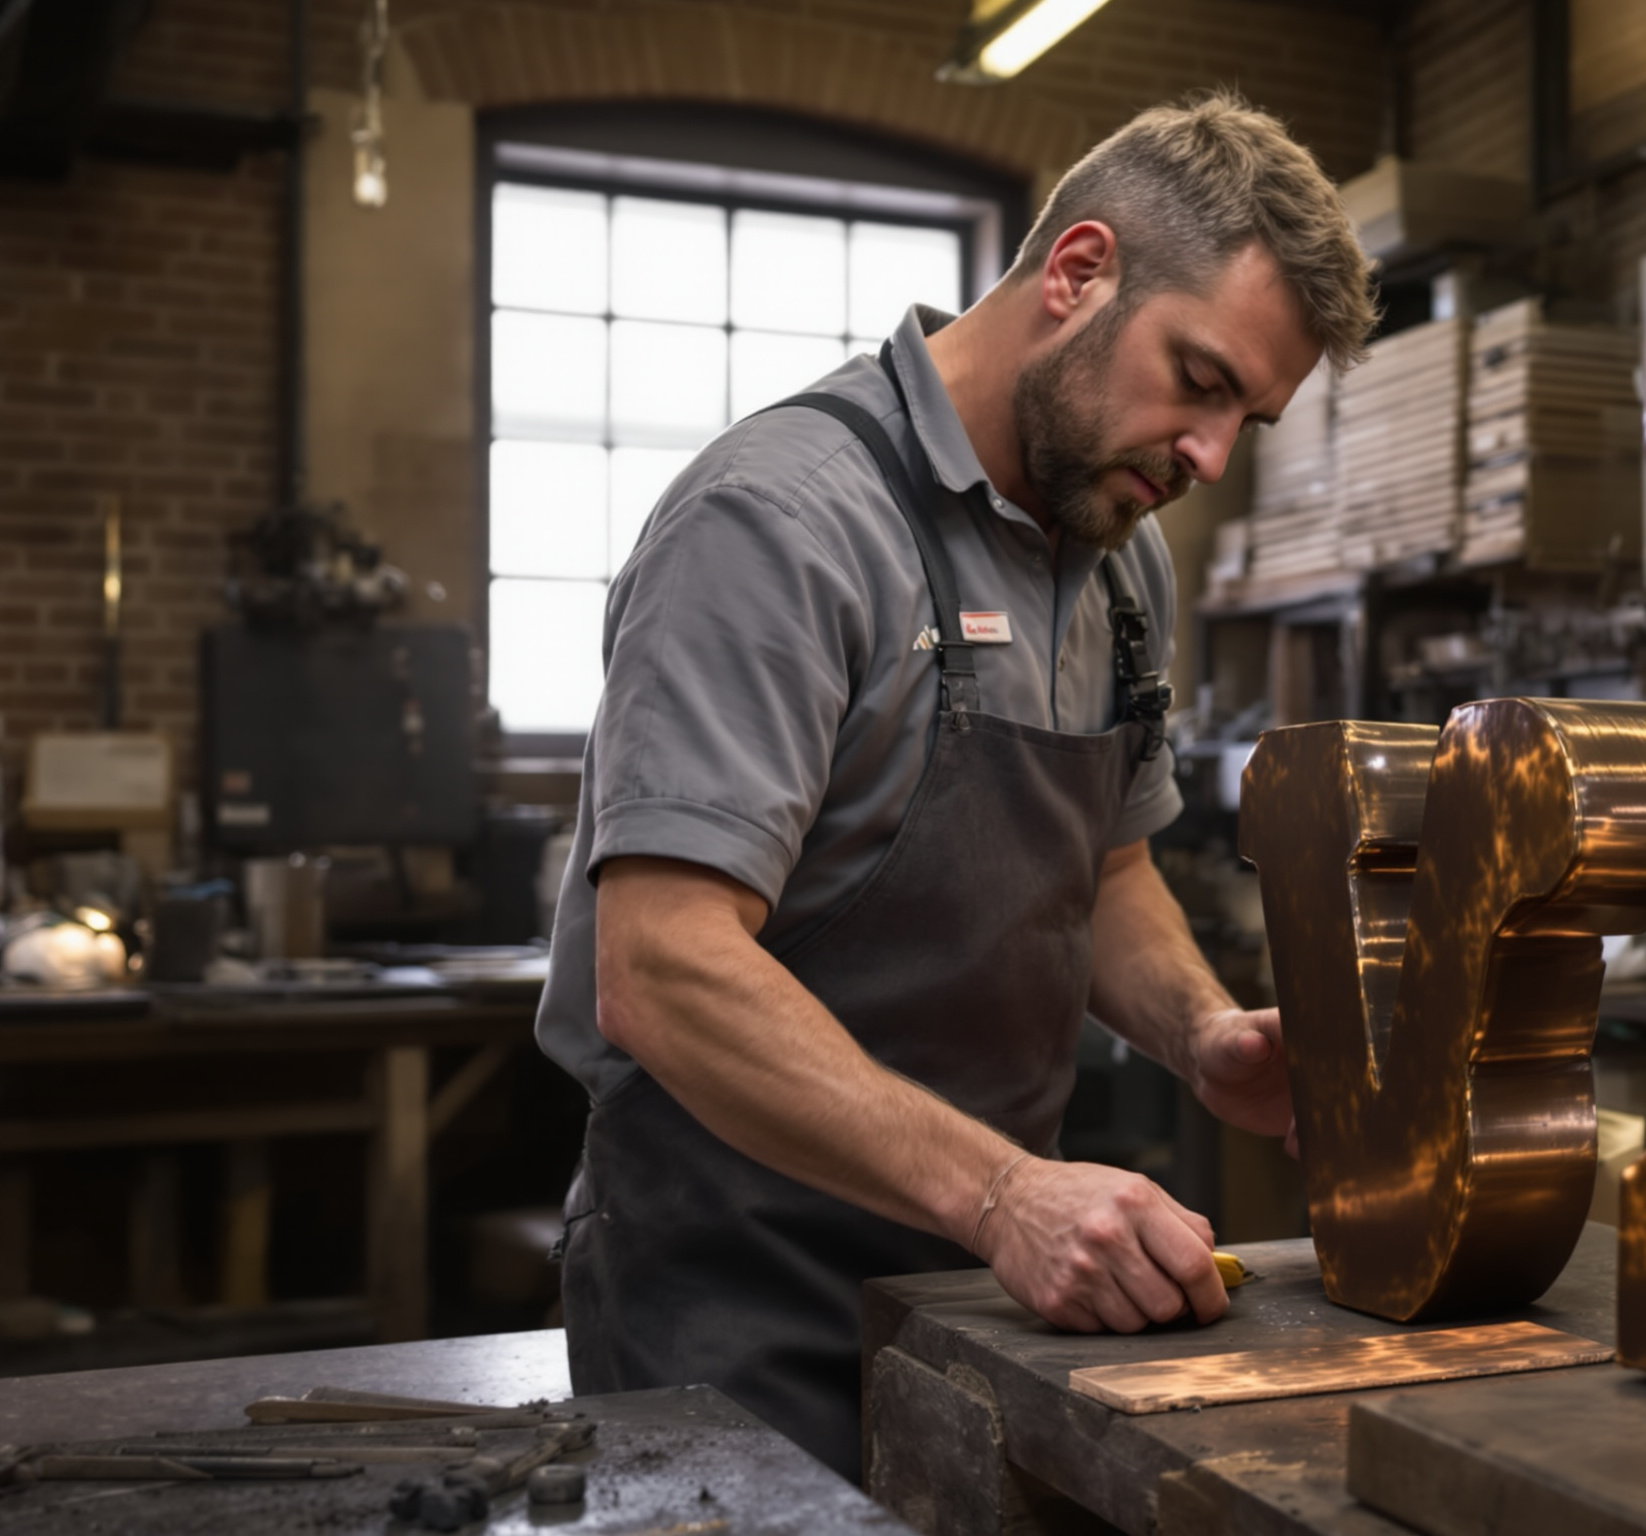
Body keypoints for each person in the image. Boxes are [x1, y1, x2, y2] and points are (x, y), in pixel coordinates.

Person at [532, 92, 1377, 1480]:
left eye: (1251, 420)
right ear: (1079, 271)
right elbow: (662, 967)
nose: (1212, 457)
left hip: (985, 1291)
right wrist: (1000, 1194)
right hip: (732, 1293)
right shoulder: (779, 523)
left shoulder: (1121, 560)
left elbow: (1106, 869)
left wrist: (1206, 1035)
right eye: (1201, 380)